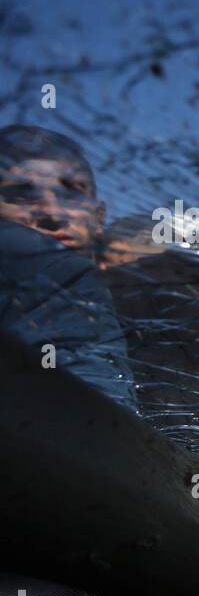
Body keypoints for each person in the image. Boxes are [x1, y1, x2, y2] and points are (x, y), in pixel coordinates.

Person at [0, 125, 135, 410]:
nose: (52, 213)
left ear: (99, 217)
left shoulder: (165, 309)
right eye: (21, 194)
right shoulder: (60, 279)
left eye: (71, 193)